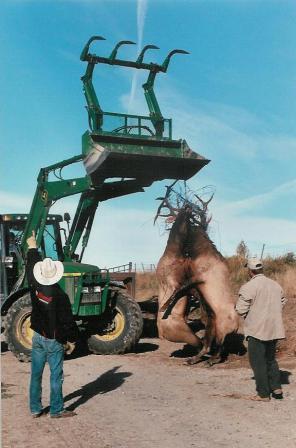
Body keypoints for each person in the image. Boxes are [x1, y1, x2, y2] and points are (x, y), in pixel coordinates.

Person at [26, 230, 79, 418]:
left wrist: (32, 247)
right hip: (53, 340)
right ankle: (56, 410)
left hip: (38, 337)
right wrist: (72, 340)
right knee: (55, 375)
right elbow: (67, 323)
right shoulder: (60, 296)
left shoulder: (35, 286)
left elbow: (30, 266)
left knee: (36, 374)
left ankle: (35, 408)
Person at [236, 256, 287, 402]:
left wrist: (249, 313)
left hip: (257, 330)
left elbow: (240, 309)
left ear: (250, 271)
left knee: (258, 362)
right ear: (261, 269)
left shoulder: (249, 287)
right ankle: (277, 388)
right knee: (270, 359)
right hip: (274, 329)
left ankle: (263, 394)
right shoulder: (275, 285)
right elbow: (283, 301)